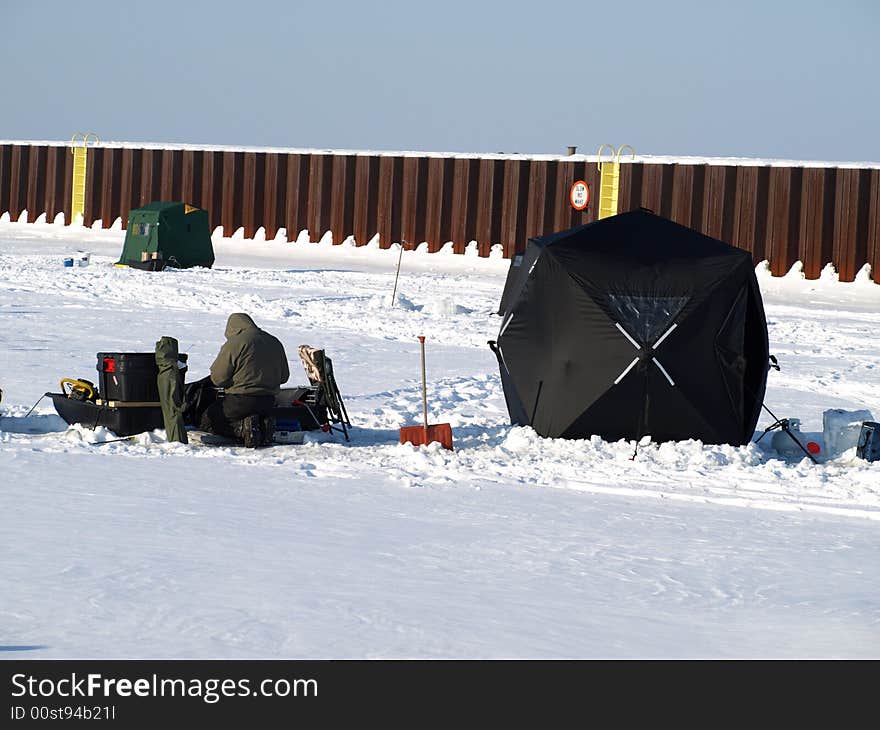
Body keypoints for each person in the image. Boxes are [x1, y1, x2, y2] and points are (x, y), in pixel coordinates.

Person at [199, 313, 290, 448]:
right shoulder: (274, 341)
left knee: (208, 420)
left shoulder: (235, 343)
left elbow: (218, 378)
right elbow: (284, 377)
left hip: (240, 401)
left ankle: (242, 429)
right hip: (269, 401)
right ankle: (263, 426)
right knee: (256, 416)